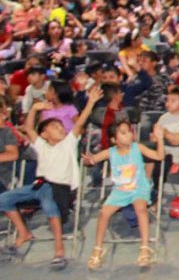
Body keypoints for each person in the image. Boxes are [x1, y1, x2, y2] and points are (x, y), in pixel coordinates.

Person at [0, 87, 99, 269]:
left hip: (60, 188)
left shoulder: (69, 144)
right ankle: (23, 232)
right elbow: (29, 128)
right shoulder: (42, 146)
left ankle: (59, 251)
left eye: (61, 126)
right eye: (54, 127)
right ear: (45, 134)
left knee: (49, 205)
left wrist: (91, 102)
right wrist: (35, 109)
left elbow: (79, 124)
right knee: (3, 199)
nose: (60, 129)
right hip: (39, 186)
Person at [82, 118, 165, 269]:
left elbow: (159, 157)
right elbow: (92, 160)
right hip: (120, 190)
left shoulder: (137, 147)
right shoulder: (110, 152)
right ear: (114, 139)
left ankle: (145, 248)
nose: (129, 135)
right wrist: (89, 160)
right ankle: (98, 249)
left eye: (129, 132)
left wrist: (160, 139)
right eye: (123, 133)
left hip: (139, 187)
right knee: (104, 212)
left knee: (140, 209)